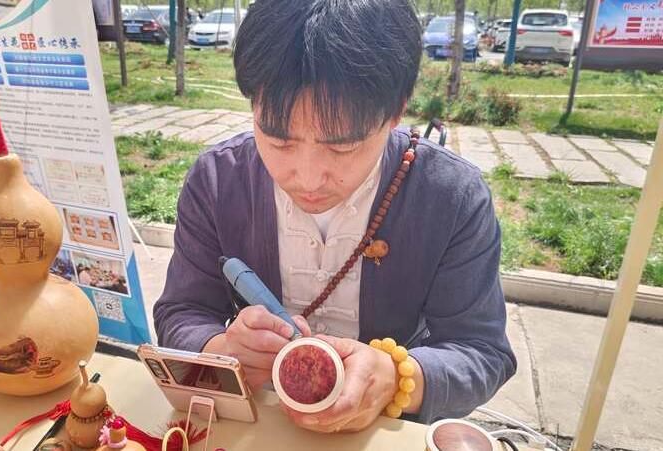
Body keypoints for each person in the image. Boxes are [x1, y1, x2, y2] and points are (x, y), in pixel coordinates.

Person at [154, 0, 516, 432]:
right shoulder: (217, 181)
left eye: (342, 146)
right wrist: (220, 349)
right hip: (257, 423)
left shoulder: (451, 197)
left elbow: (482, 351)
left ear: (396, 112)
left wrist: (397, 378)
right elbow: (182, 310)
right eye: (279, 141)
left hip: (383, 430)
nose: (308, 178)